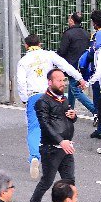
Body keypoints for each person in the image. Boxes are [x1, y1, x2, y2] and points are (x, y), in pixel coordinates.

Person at [17, 34, 87, 179]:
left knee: (34, 128)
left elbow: (21, 82)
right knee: (57, 124)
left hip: (35, 96)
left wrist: (24, 98)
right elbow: (65, 66)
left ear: (26, 46)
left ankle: (34, 157)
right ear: (40, 44)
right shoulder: (49, 55)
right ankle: (59, 158)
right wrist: (79, 78)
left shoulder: (23, 61)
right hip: (52, 95)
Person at [27, 69, 78, 202]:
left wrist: (73, 117)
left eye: (64, 81)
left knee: (69, 182)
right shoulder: (42, 101)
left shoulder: (64, 99)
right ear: (50, 82)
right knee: (47, 182)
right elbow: (45, 125)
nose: (63, 84)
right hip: (51, 149)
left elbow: (68, 119)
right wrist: (60, 141)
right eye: (59, 81)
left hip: (66, 147)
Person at [57, 12, 94, 116]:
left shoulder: (68, 34)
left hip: (72, 66)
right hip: (84, 65)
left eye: (69, 19)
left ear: (72, 21)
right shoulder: (86, 33)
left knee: (76, 90)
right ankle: (69, 109)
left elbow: (62, 51)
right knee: (72, 88)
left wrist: (56, 59)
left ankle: (95, 111)